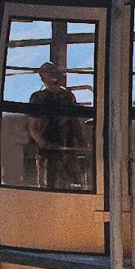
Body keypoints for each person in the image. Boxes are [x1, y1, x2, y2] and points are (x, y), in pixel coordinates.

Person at [24, 57, 92, 192]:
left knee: (70, 186)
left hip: (67, 149)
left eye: (55, 72)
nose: (54, 76)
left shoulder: (68, 96)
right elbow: (33, 126)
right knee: (48, 187)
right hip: (48, 153)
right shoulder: (38, 98)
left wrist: (82, 144)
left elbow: (75, 122)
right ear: (43, 78)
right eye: (49, 73)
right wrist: (44, 143)